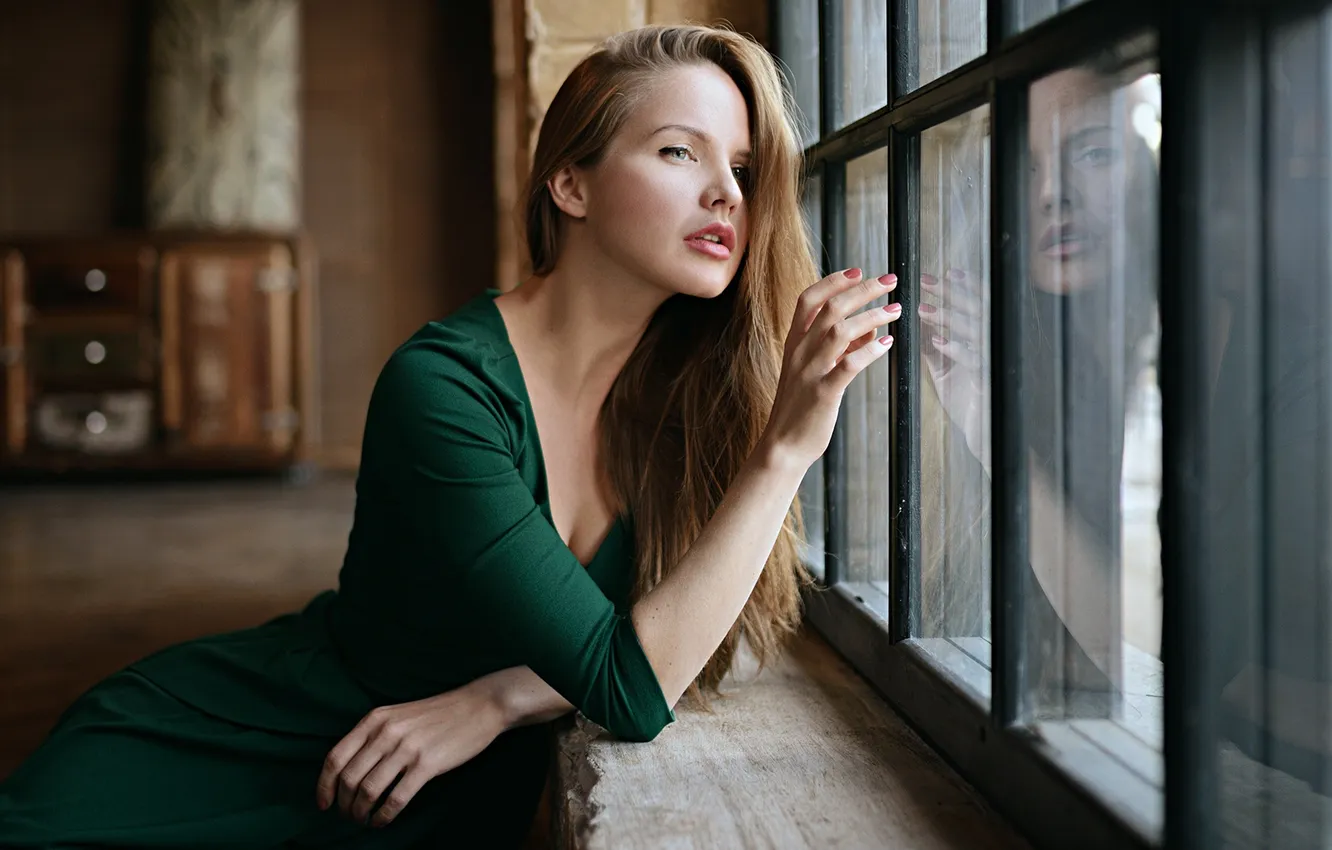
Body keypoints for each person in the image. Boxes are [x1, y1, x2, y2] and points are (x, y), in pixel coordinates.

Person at [0, 25, 899, 848]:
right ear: (569, 183)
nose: (726, 195)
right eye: (679, 152)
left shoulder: (703, 392)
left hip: (430, 792)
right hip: (261, 748)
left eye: (742, 168)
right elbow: (630, 687)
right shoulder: (442, 389)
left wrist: (495, 701)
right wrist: (785, 450)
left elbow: (692, 637)